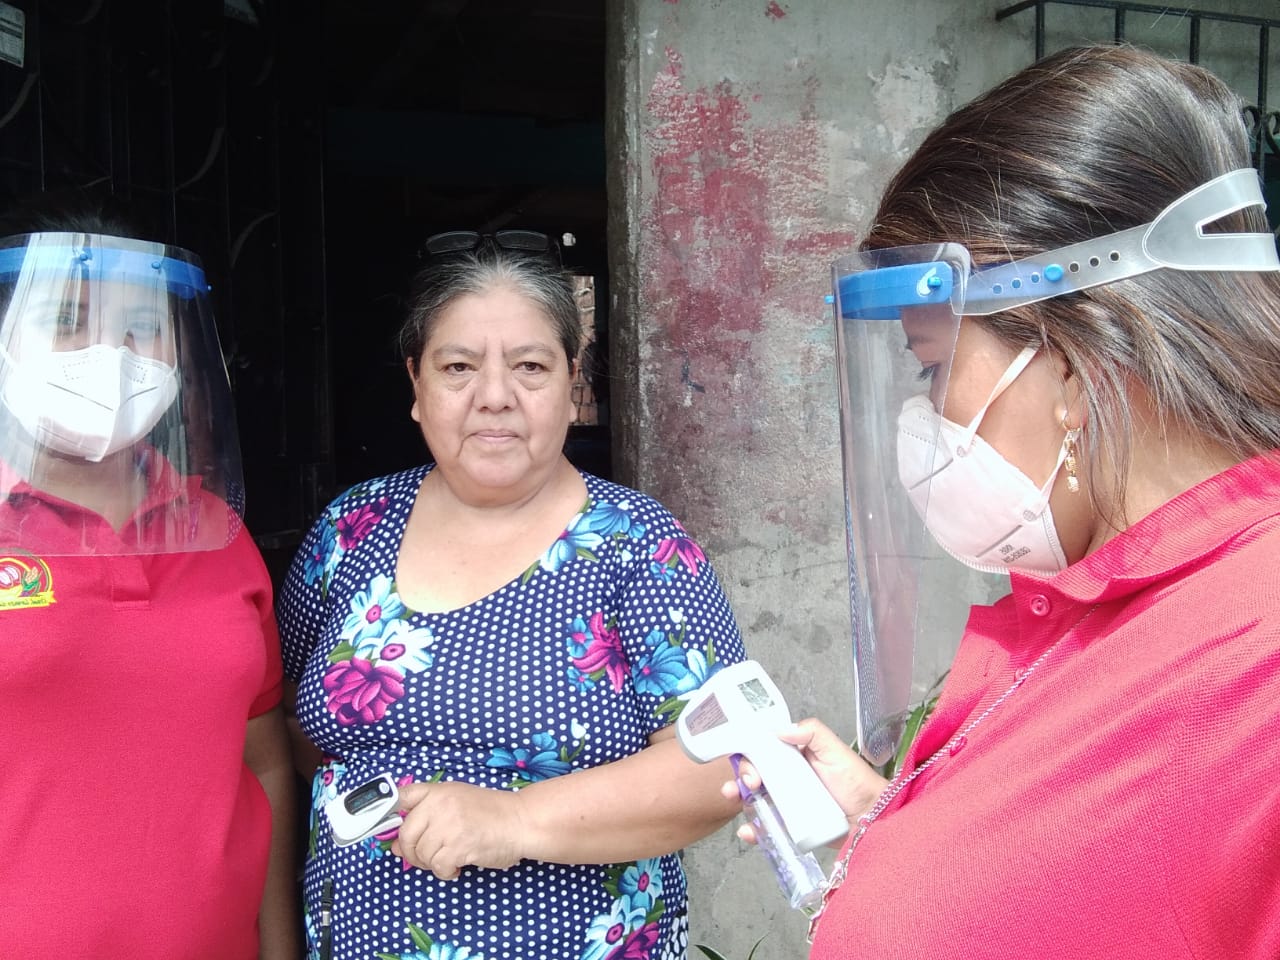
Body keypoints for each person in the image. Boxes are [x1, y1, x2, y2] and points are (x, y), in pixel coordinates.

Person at [735, 45, 1280, 959]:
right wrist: (901, 835)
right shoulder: (1110, 603)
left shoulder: (1256, 667)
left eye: (934, 365)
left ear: (1074, 357)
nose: (922, 415)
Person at [277, 230, 748, 960]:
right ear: (416, 384)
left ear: (573, 381)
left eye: (529, 366)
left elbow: (725, 763)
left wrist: (515, 819)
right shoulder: (350, 528)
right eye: (458, 366)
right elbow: (292, 725)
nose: (494, 397)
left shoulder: (637, 545)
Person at [0, 205, 299, 957]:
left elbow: (262, 761)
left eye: (142, 326)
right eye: (66, 320)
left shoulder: (219, 534)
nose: (111, 353)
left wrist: (279, 946)